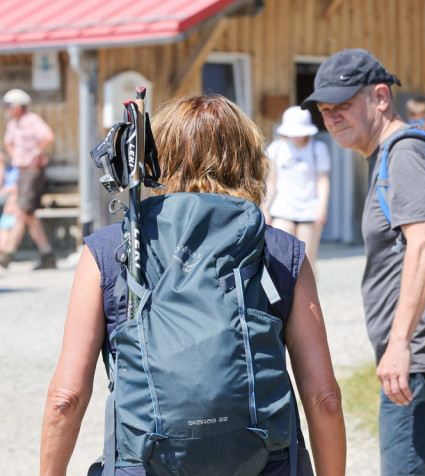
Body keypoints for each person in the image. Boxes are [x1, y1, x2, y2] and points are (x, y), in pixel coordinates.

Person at [40, 94, 346, 475]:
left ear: (157, 157)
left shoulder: (111, 250)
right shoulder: (282, 252)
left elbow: (65, 398)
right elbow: (324, 398)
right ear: (250, 159)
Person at [301, 48, 425, 475]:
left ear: (381, 97)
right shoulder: (386, 157)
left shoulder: (404, 155)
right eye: (325, 110)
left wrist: (399, 344)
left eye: (343, 105)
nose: (332, 118)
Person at [263, 105, 331, 268]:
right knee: (280, 259)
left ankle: (309, 294)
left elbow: (323, 180)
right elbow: (272, 181)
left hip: (309, 209)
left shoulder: (318, 149)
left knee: (306, 262)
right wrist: (264, 208)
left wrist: (322, 208)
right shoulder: (277, 149)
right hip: (283, 209)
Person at [0, 88, 55, 270]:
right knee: (28, 214)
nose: (6, 108)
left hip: (33, 170)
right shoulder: (13, 125)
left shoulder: (32, 120)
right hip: (22, 171)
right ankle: (48, 255)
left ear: (18, 106)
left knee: (22, 211)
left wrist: (36, 152)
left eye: (8, 105)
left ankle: (8, 253)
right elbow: (8, 142)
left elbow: (48, 136)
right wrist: (15, 155)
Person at [0, 157, 18, 257]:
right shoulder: (4, 171)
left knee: (7, 217)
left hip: (9, 201)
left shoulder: (14, 170)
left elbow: (17, 187)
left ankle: (3, 250)